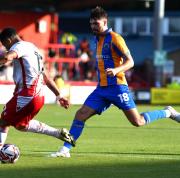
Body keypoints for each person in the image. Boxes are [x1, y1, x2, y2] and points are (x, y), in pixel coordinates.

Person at [51, 6, 180, 158]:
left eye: (96, 24)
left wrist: (117, 70)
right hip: (102, 89)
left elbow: (130, 61)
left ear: (105, 22)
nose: (93, 27)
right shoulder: (96, 39)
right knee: (80, 115)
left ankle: (168, 112)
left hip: (118, 87)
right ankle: (65, 150)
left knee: (137, 121)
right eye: (91, 24)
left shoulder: (115, 38)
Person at [0, 27, 75, 152]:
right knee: (21, 125)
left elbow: (8, 57)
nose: (6, 48)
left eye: (5, 45)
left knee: (3, 121)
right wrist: (59, 95)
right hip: (38, 96)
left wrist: (6, 56)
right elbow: (45, 76)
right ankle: (57, 133)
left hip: (27, 94)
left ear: (8, 40)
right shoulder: (34, 49)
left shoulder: (18, 47)